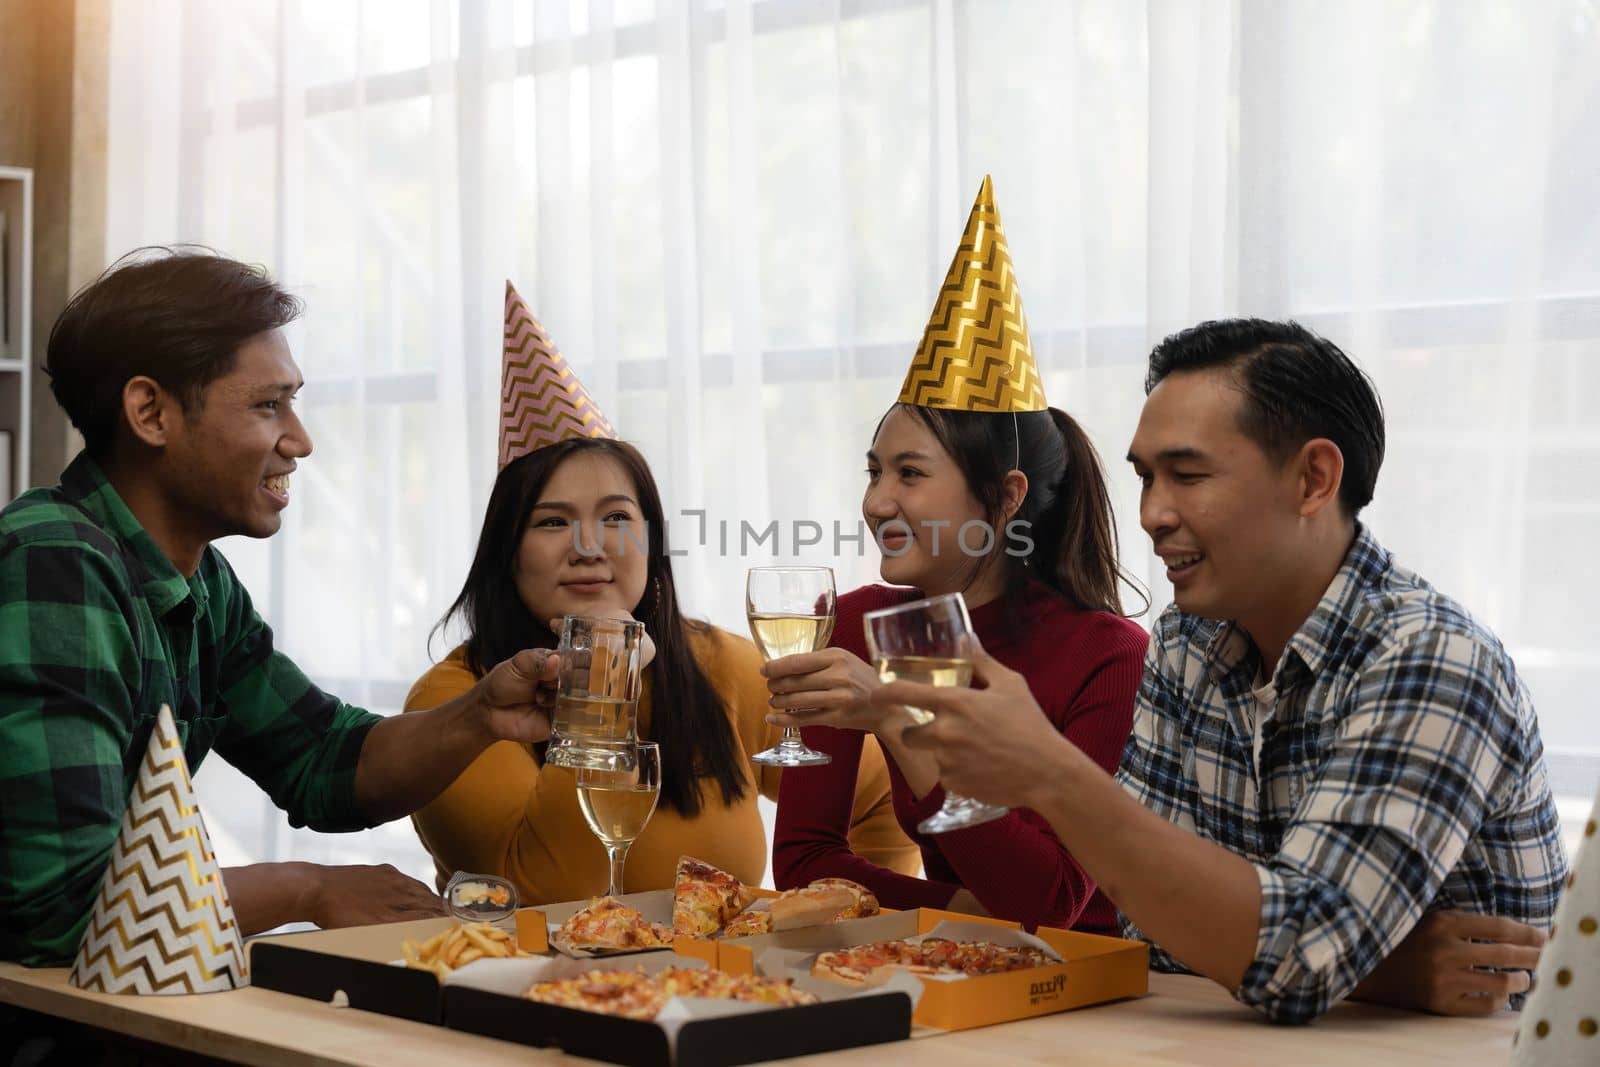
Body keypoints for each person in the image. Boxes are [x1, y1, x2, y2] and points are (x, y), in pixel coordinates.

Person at [884, 318, 1569, 1022]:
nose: (1151, 513)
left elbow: (1291, 957)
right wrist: (1377, 969)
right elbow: (1146, 927)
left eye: (1187, 474)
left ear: (1313, 478)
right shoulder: (1187, 642)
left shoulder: (1431, 656)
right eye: (1146, 478)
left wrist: (1050, 771)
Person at [0, 249, 559, 968]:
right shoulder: (55, 560)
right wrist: (307, 889)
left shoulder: (203, 584)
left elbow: (322, 760)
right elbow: (65, 905)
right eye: (269, 404)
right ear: (150, 412)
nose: (299, 440)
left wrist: (484, 713)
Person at [402, 284, 916, 901]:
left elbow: (882, 793)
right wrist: (604, 674)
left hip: (719, 991)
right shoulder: (452, 703)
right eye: (552, 521)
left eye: (617, 518)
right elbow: (553, 896)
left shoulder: (718, 664)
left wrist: (846, 918)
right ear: (506, 553)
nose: (590, 546)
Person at [766, 177, 1148, 933]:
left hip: (1097, 986)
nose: (877, 503)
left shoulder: (1109, 655)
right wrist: (952, 907)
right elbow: (805, 861)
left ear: (1004, 497)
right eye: (874, 472)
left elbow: (1051, 904)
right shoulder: (853, 623)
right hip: (957, 963)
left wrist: (897, 717)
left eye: (910, 473)